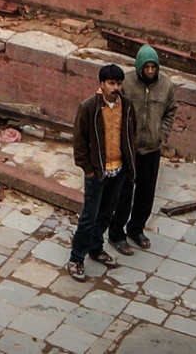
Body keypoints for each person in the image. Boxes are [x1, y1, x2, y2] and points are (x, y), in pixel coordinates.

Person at [109, 44, 177, 253]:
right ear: (139, 66)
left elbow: (171, 112)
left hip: (152, 149)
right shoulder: (126, 83)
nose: (149, 71)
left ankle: (136, 229)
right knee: (124, 194)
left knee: (146, 194)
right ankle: (116, 234)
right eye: (146, 67)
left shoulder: (166, 86)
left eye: (153, 67)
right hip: (129, 149)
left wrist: (161, 134)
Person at [68, 63, 129, 281]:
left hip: (118, 169)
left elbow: (129, 135)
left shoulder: (126, 106)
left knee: (107, 212)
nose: (115, 88)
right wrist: (89, 170)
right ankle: (76, 258)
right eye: (111, 83)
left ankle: (96, 247)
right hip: (97, 172)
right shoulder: (88, 108)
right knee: (88, 216)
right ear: (101, 84)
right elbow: (80, 142)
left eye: (119, 83)